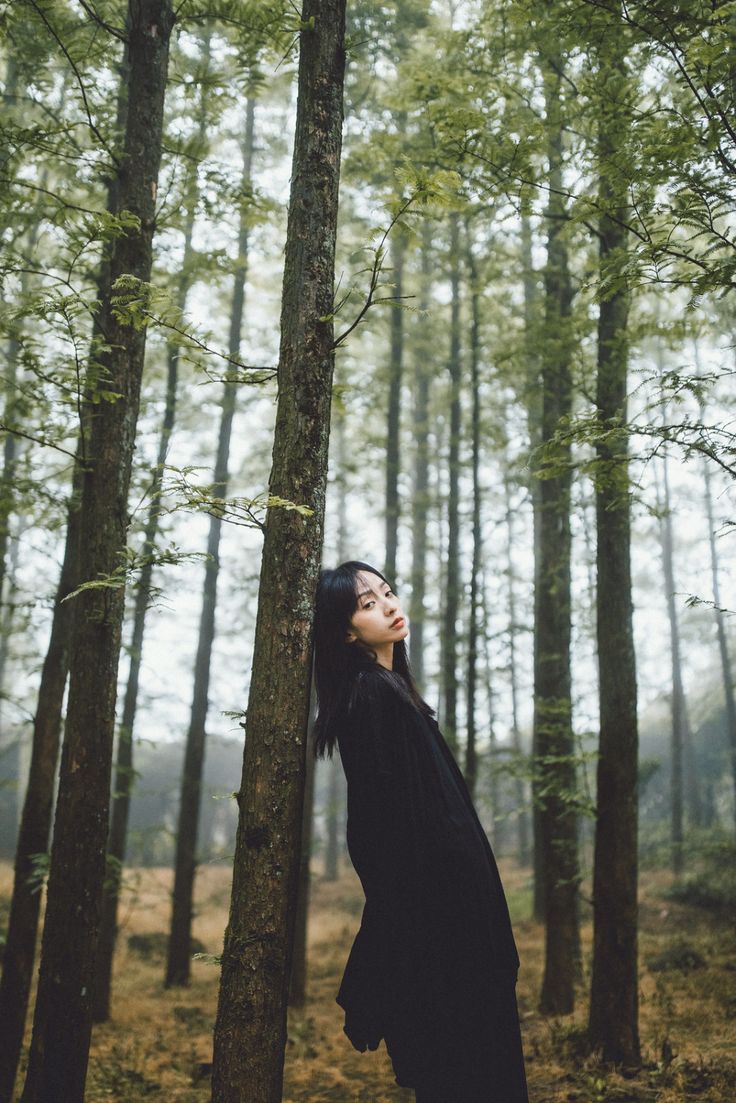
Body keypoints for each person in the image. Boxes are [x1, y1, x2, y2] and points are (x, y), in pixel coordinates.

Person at [313, 560, 529, 1103]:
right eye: (367, 604)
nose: (387, 605)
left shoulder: (392, 691)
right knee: (465, 1076)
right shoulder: (371, 696)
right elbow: (382, 834)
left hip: (456, 926)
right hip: (444, 935)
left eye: (387, 593)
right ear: (345, 630)